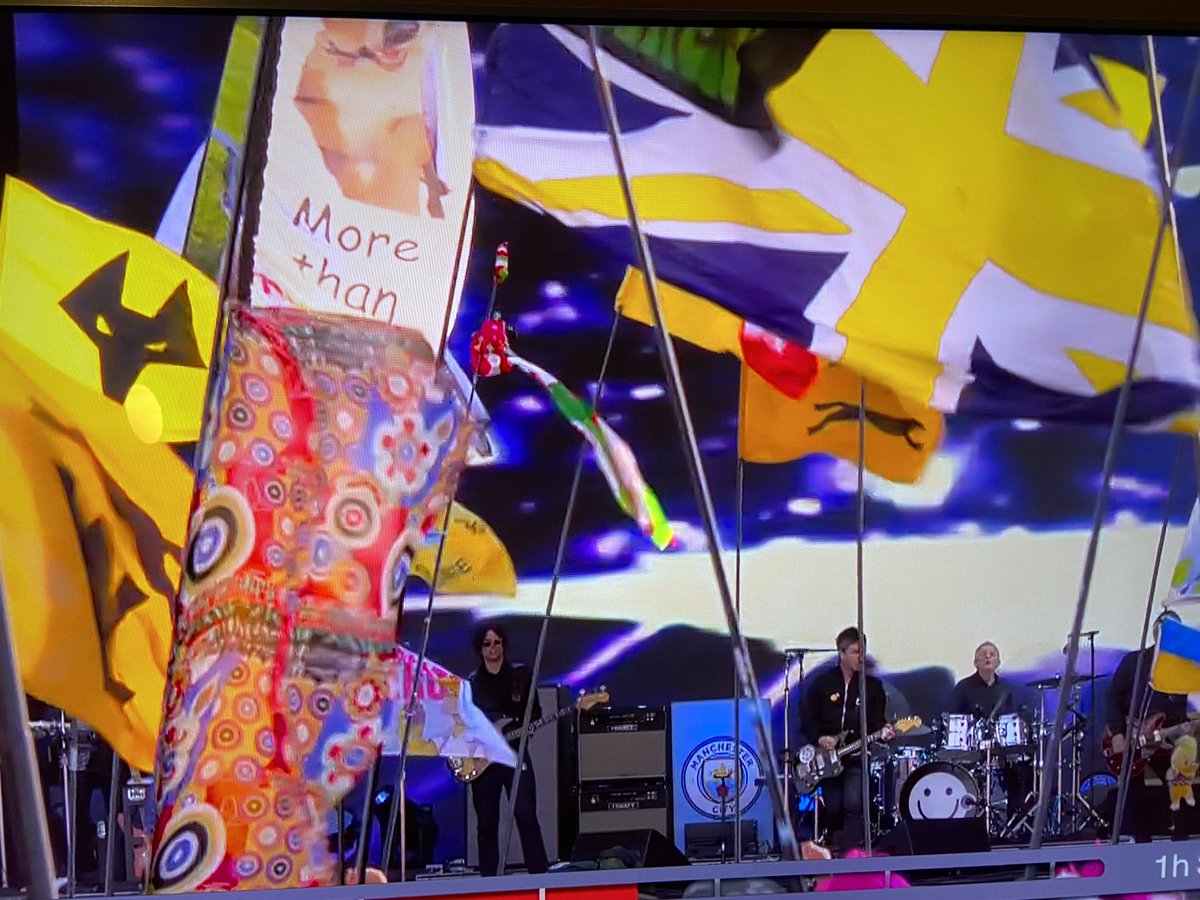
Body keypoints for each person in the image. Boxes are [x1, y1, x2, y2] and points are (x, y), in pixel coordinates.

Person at [800, 626, 892, 854]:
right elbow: (807, 718)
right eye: (855, 652)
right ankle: (834, 846)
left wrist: (884, 732)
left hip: (855, 755)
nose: (860, 657)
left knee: (854, 802)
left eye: (863, 651)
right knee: (833, 806)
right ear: (841, 653)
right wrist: (820, 738)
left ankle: (853, 850)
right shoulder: (822, 684)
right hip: (826, 757)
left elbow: (877, 723)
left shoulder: (872, 687)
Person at [467, 624, 550, 877]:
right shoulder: (471, 684)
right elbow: (464, 723)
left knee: (526, 814)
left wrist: (525, 729)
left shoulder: (520, 677)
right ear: (480, 649)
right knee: (487, 823)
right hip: (484, 761)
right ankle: (489, 881)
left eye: (497, 642)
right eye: (487, 643)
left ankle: (539, 876)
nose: (493, 648)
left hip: (514, 754)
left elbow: (535, 713)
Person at [1105, 610, 1191, 842]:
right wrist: (1116, 733)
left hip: (1165, 737)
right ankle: (1141, 841)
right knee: (1133, 788)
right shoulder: (1134, 661)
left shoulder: (1182, 668)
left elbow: (1179, 710)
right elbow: (1113, 696)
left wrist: (1181, 728)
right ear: (1156, 632)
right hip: (1132, 735)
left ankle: (1180, 840)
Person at [946, 642, 1030, 826]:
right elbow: (951, 718)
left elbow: (1012, 718)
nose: (988, 657)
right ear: (975, 662)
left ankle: (1014, 824)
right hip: (972, 751)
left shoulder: (1006, 689)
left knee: (1021, 771)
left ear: (998, 662)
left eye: (992, 654)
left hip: (1000, 750)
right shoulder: (963, 687)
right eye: (983, 654)